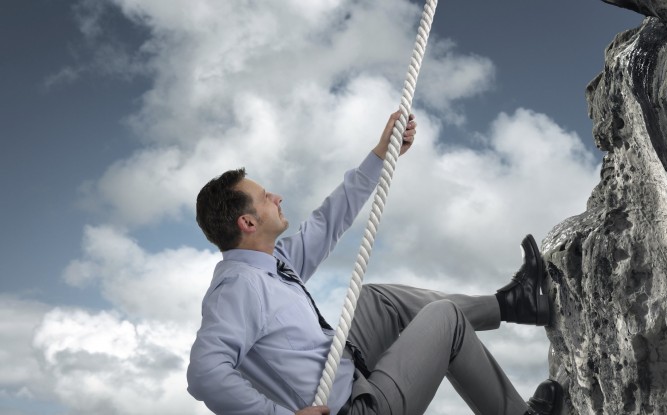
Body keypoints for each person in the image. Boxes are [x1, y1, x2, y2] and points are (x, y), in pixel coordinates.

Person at [187, 111, 563, 415]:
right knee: (444, 318)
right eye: (266, 196)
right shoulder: (238, 286)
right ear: (248, 223)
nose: (278, 196)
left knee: (375, 300)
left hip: (350, 373)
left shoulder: (272, 262)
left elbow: (327, 221)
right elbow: (205, 374)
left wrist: (381, 154)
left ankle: (514, 304)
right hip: (356, 408)